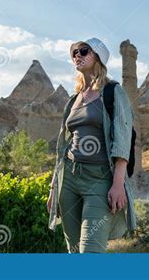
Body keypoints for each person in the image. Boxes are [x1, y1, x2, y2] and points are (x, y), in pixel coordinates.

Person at [47, 37, 137, 253]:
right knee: (73, 250)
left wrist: (117, 184)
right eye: (74, 52)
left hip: (100, 180)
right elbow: (63, 146)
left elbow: (123, 140)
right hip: (69, 178)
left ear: (99, 58)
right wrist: (53, 186)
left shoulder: (113, 92)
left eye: (84, 51)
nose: (77, 55)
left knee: (91, 252)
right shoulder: (73, 100)